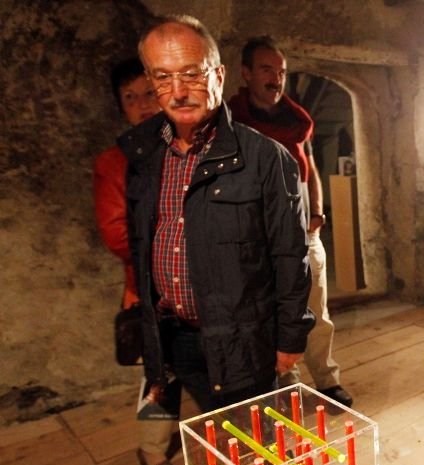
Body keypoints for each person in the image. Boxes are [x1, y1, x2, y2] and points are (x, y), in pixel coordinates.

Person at [120, 16, 315, 434]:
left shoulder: (265, 158)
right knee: (213, 434)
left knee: (259, 444)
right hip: (176, 338)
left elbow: (289, 256)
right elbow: (140, 243)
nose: (178, 91)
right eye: (163, 77)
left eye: (192, 73)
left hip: (243, 340)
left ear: (219, 75)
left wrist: (290, 338)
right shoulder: (142, 155)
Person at [228, 36, 353, 408]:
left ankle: (327, 380)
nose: (276, 79)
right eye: (267, 70)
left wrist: (317, 212)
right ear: (246, 73)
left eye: (281, 72)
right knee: (274, 312)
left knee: (317, 309)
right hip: (261, 233)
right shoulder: (232, 121)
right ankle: (287, 383)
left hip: (303, 229)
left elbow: (309, 166)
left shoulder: (297, 120)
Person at [93, 58, 181, 465]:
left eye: (150, 93)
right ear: (121, 107)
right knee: (159, 374)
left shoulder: (188, 148)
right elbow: (116, 235)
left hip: (198, 288)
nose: (143, 104)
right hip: (149, 289)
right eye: (131, 97)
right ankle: (152, 447)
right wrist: (178, 249)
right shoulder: (115, 163)